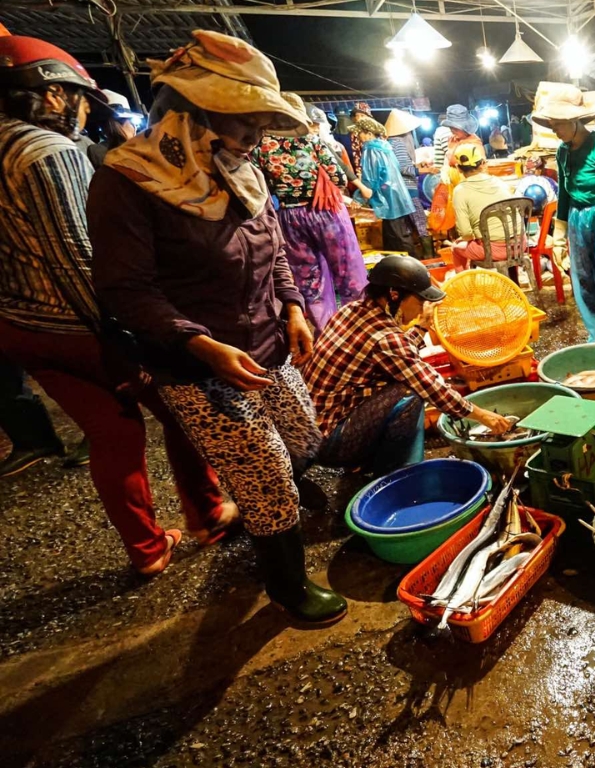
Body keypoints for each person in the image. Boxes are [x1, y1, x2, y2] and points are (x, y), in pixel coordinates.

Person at [89, 30, 344, 623]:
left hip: (269, 345)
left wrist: (294, 307)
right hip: (198, 367)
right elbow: (126, 291)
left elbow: (273, 245)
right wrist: (200, 344)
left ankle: (275, 503)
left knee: (302, 436)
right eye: (244, 124)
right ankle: (287, 584)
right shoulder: (128, 183)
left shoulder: (240, 174)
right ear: (192, 114)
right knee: (265, 474)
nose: (255, 141)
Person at [1, 33, 235, 575]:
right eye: (80, 100)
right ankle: (207, 513)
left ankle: (148, 550)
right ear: (54, 95)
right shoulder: (47, 150)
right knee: (185, 406)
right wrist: (131, 336)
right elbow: (80, 255)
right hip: (82, 323)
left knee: (112, 433)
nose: (83, 114)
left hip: (20, 325)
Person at [302, 256, 509, 475]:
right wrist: (483, 415)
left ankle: (366, 463)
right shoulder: (387, 339)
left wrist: (422, 326)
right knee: (409, 393)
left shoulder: (351, 310)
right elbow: (429, 386)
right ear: (394, 294)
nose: (421, 310)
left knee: (394, 380)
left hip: (311, 433)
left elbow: (396, 355)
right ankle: (401, 475)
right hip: (330, 443)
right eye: (420, 302)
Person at [250, 94, 368, 331]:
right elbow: (339, 177)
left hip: (290, 217)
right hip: (326, 213)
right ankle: (360, 329)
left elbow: (260, 186)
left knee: (310, 282)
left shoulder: (260, 147)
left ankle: (327, 333)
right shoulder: (311, 141)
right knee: (349, 274)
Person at [537, 91, 595, 343]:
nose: (555, 131)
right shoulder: (562, 152)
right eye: (552, 125)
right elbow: (564, 195)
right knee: (583, 279)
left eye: (558, 125)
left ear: (575, 121)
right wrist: (559, 235)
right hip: (577, 219)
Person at [351, 114, 422, 258]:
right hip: (396, 196)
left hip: (389, 199)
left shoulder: (371, 149)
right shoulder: (384, 146)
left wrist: (358, 198)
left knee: (399, 239)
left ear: (369, 133)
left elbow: (371, 178)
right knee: (394, 238)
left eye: (359, 133)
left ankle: (414, 270)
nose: (357, 136)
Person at [449, 142, 522, 268]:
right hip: (520, 244)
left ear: (458, 168)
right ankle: (513, 283)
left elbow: (466, 233)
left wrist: (466, 239)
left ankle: (464, 286)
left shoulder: (460, 190)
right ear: (482, 163)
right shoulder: (500, 182)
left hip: (492, 250)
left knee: (456, 248)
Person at [434, 104, 478, 170]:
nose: (452, 130)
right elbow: (443, 163)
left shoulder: (474, 140)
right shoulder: (451, 139)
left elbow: (477, 166)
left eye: (455, 128)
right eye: (451, 127)